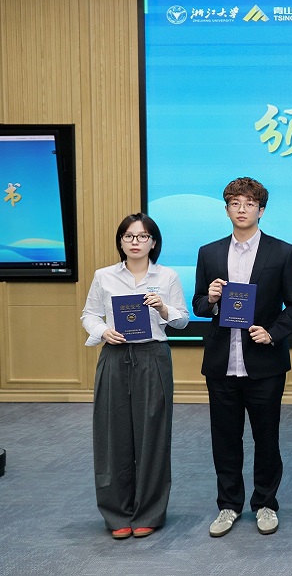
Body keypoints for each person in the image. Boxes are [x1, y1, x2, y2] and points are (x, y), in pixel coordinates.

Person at [192, 177, 292, 538]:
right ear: (226, 209)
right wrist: (211, 299)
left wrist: (272, 333)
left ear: (261, 210)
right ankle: (228, 505)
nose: (242, 210)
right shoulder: (209, 253)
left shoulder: (283, 252)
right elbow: (198, 305)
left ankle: (266, 503)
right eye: (235, 203)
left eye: (249, 204)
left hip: (264, 363)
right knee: (224, 439)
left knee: (266, 437)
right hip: (221, 362)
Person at [81, 213, 189, 539]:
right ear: (121, 241)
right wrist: (103, 331)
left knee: (152, 435)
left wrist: (163, 309)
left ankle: (149, 512)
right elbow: (89, 315)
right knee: (111, 433)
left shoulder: (167, 276)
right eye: (128, 236)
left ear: (153, 242)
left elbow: (182, 319)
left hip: (153, 357)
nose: (135, 242)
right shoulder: (104, 276)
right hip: (115, 357)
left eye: (142, 237)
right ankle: (117, 513)